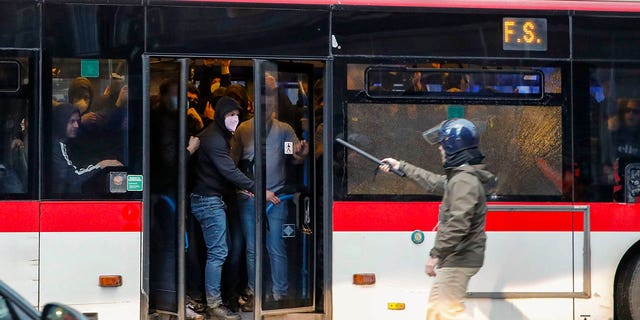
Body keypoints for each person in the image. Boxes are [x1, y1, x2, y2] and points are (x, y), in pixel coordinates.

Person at [380, 118, 494, 320]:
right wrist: (401, 166)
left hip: (459, 258)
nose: (440, 149)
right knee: (437, 312)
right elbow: (434, 182)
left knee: (446, 313)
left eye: (442, 144)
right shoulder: (460, 178)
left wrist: (436, 255)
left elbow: (458, 224)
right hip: (456, 258)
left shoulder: (464, 180)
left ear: (453, 146)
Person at [231, 93, 309, 311]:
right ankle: (255, 293)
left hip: (276, 197)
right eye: (261, 104)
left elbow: (295, 155)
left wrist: (302, 152)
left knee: (276, 245)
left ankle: (279, 294)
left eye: (269, 104)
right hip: (248, 196)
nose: (265, 108)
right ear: (254, 106)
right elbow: (232, 164)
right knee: (253, 248)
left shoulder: (284, 129)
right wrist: (247, 188)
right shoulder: (243, 129)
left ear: (274, 106)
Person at [190, 97, 256, 320]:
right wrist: (257, 186)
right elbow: (228, 170)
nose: (234, 119)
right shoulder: (215, 139)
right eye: (230, 115)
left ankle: (218, 299)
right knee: (218, 252)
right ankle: (215, 305)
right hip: (208, 201)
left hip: (212, 199)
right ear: (220, 116)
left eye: (236, 114)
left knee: (221, 250)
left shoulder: (218, 135)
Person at [50, 103, 123, 194]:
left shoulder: (65, 142)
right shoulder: (56, 146)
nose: (76, 125)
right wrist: (101, 165)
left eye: (78, 121)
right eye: (71, 121)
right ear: (61, 122)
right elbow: (73, 179)